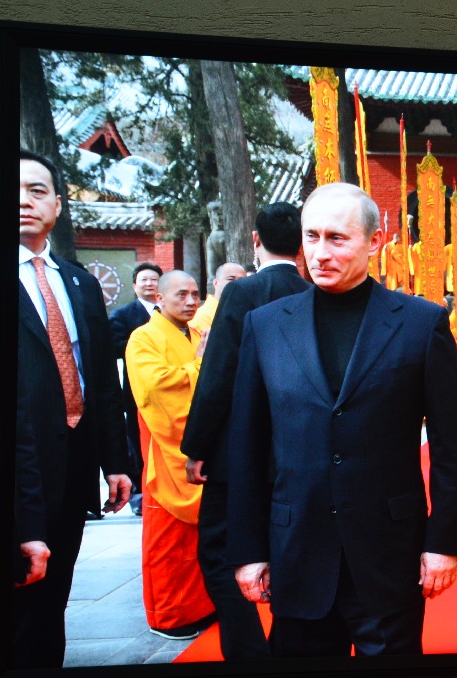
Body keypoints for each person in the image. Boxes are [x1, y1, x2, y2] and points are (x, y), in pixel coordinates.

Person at [226, 182, 457, 658]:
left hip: (389, 552)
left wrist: (443, 542)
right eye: (311, 236)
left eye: (337, 238)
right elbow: (247, 446)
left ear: (375, 242)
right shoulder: (267, 325)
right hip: (296, 549)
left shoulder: (421, 324)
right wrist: (248, 548)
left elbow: (450, 446)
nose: (320, 252)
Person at [15, 149, 132, 669]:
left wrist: (118, 461)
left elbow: (101, 380)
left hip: (75, 460)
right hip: (17, 466)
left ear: (57, 206)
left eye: (37, 191)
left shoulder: (78, 282)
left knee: (53, 597)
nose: (24, 200)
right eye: (12, 188)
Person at [181, 202, 310, 660]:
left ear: (256, 241)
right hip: (300, 449)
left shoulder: (241, 293)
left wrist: (197, 446)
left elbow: (218, 375)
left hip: (240, 451)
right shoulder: (315, 290)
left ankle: (248, 651)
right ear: (302, 243)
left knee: (221, 554)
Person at [126, 270, 216, 639]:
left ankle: (202, 606)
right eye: (181, 294)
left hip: (199, 448)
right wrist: (199, 365)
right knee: (169, 543)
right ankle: (169, 615)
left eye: (196, 294)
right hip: (166, 452)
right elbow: (156, 389)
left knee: (199, 543)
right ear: (160, 299)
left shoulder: (195, 334)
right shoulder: (143, 337)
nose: (191, 301)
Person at [109, 261, 163, 516]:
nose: (149, 284)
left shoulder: (170, 311)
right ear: (134, 285)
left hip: (168, 390)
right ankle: (141, 494)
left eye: (154, 279)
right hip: (137, 390)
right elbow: (115, 346)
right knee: (138, 440)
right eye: (144, 280)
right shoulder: (123, 315)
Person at [189, 262, 247, 332]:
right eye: (231, 279)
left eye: (241, 280)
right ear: (215, 283)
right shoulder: (201, 317)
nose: (237, 284)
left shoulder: (246, 313)